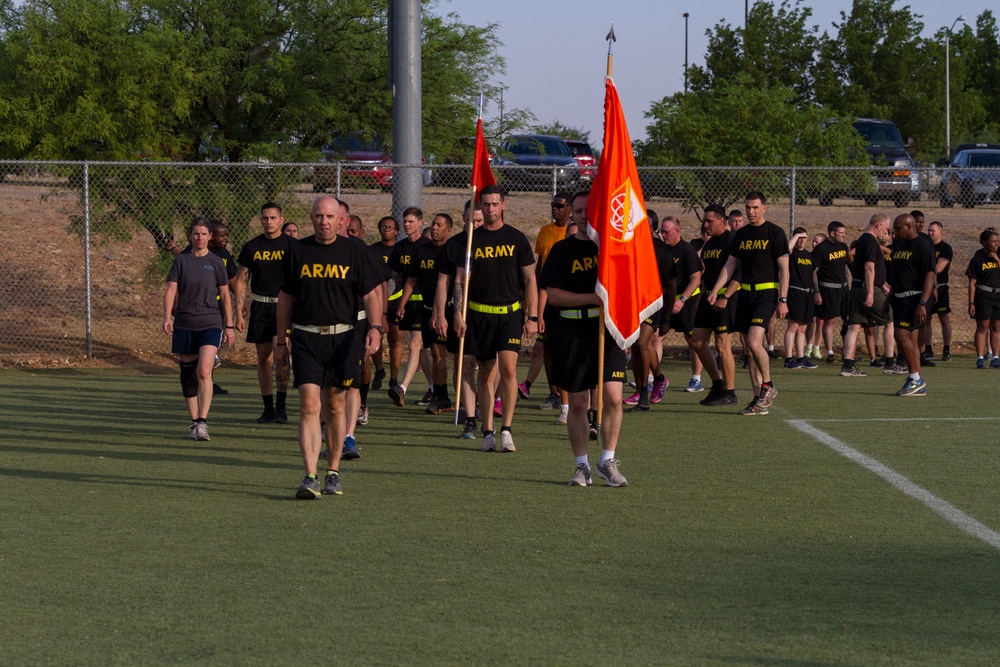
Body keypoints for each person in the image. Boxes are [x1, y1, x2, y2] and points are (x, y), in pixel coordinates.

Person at [275, 196, 385, 499]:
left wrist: (375, 328)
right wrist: (281, 340)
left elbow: (372, 294)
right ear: (311, 218)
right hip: (307, 337)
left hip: (344, 337)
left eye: (330, 216)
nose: (324, 221)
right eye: (319, 216)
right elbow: (285, 298)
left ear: (341, 220)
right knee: (310, 405)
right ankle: (310, 475)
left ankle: (333, 471)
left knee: (335, 405)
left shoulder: (354, 251)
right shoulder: (297, 251)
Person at [541, 191, 628, 487]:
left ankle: (607, 460)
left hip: (608, 331)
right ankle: (582, 466)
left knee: (614, 397)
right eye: (578, 210)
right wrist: (593, 297)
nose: (583, 214)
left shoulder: (612, 250)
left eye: (589, 210)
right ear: (571, 214)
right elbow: (553, 296)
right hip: (573, 332)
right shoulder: (562, 251)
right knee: (578, 404)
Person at [449, 184, 538, 452]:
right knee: (485, 373)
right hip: (478, 314)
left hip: (509, 314)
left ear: (503, 205)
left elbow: (530, 277)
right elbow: (459, 281)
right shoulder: (470, 240)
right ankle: (487, 430)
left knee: (509, 369)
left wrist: (532, 315)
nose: (490, 209)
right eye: (485, 204)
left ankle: (507, 430)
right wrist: (457, 312)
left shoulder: (517, 238)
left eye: (495, 204)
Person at [709, 192, 789, 416]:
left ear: (764, 207)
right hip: (745, 296)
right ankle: (758, 400)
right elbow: (730, 265)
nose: (750, 211)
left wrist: (783, 299)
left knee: (754, 343)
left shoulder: (775, 232)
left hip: (766, 295)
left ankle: (768, 385)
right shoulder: (741, 234)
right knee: (750, 351)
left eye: (755, 207)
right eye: (747, 207)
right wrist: (716, 291)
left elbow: (784, 268)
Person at [163, 217, 235, 441]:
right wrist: (167, 316)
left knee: (204, 371)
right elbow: (171, 290)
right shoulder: (181, 262)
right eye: (196, 234)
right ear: (189, 236)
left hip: (210, 323)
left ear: (210, 237)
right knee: (188, 375)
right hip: (185, 323)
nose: (200, 237)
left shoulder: (216, 262)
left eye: (204, 234)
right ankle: (194, 422)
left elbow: (225, 294)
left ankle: (203, 421)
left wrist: (229, 326)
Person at [234, 203, 294, 424]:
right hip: (260, 306)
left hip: (283, 307)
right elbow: (242, 278)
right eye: (264, 218)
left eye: (272, 217)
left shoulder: (292, 246)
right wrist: (239, 311)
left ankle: (281, 406)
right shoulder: (252, 246)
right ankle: (268, 408)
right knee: (263, 359)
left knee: (282, 356)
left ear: (281, 219)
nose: (268, 221)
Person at [434, 200, 485, 439]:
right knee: (463, 362)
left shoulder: (490, 241)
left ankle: (486, 406)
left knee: (484, 365)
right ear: (463, 219)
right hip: (460, 311)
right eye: (471, 220)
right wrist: (441, 313)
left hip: (487, 311)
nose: (475, 225)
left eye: (479, 221)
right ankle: (467, 409)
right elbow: (445, 281)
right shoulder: (453, 246)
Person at [518, 192, 572, 415]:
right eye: (553, 205)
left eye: (559, 205)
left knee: (564, 348)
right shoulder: (545, 231)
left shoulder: (574, 233)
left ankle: (571, 394)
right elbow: (539, 265)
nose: (555, 209)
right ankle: (554, 393)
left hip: (567, 296)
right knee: (546, 345)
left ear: (569, 209)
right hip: (547, 296)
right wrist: (537, 294)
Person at [398, 212, 456, 414]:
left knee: (460, 357)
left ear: (449, 230)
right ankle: (441, 397)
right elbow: (412, 280)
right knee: (436, 352)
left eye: (439, 224)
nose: (435, 227)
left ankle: (466, 400)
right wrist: (401, 304)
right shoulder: (422, 251)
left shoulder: (452, 251)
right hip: (427, 310)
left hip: (450, 310)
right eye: (433, 224)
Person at [690, 204, 741, 406]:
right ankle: (718, 385)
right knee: (696, 341)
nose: (705, 224)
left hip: (726, 298)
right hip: (708, 298)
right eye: (704, 220)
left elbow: (738, 274)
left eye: (709, 220)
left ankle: (730, 392)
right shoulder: (709, 245)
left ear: (722, 221)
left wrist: (726, 296)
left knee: (722, 344)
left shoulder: (732, 241)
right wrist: (699, 299)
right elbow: (707, 276)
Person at [387, 207, 431, 407]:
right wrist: (385, 301)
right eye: (404, 221)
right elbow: (395, 278)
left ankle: (402, 388)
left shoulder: (428, 247)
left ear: (420, 223)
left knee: (414, 345)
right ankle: (434, 389)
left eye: (411, 221)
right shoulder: (400, 247)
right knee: (422, 350)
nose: (406, 225)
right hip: (407, 302)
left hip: (425, 303)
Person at [888, 214, 935, 396]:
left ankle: (915, 379)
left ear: (909, 226)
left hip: (914, 299)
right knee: (911, 342)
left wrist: (922, 302)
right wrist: (887, 300)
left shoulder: (923, 245)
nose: (895, 232)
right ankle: (918, 382)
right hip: (899, 298)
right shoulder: (900, 246)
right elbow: (898, 276)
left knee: (900, 335)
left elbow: (930, 275)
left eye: (898, 228)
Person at [839, 214, 892, 377]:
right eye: (886, 228)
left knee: (854, 326)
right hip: (867, 289)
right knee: (890, 322)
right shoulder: (870, 241)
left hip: (856, 287)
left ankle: (848, 365)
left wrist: (883, 283)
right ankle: (890, 363)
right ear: (878, 225)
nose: (886, 232)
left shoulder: (862, 240)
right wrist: (870, 293)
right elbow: (869, 268)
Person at [659, 215, 702, 393]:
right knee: (656, 336)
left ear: (677, 231)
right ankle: (657, 378)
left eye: (666, 231)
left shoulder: (687, 250)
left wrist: (682, 299)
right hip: (667, 299)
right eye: (661, 231)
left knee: (692, 340)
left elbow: (696, 279)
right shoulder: (662, 249)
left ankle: (696, 379)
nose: (663, 235)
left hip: (687, 300)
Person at [812, 221, 851, 364]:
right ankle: (830, 353)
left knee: (848, 319)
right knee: (829, 321)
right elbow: (814, 272)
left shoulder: (843, 246)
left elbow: (846, 268)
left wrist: (849, 285)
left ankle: (848, 351)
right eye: (841, 233)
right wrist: (817, 292)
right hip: (828, 289)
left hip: (843, 288)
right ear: (832, 233)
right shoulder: (821, 249)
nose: (844, 235)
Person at [369, 216, 398, 390]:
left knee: (395, 338)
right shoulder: (371, 250)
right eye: (384, 226)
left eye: (390, 227)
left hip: (395, 300)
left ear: (396, 231)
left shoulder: (399, 250)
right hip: (376, 301)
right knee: (376, 338)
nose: (386, 229)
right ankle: (379, 370)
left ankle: (394, 378)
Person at [783, 227, 817, 369]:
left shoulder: (808, 255)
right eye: (800, 238)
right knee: (793, 326)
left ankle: (801, 358)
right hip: (795, 293)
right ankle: (788, 359)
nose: (802, 241)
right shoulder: (791, 253)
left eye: (804, 238)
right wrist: (796, 236)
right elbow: (786, 250)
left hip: (807, 294)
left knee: (802, 328)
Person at [966, 228, 1000, 369]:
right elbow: (972, 283)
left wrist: (997, 259)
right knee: (982, 327)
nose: (996, 244)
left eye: (997, 241)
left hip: (998, 295)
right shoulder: (977, 258)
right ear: (984, 243)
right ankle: (980, 358)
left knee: (996, 327)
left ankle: (996, 358)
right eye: (993, 241)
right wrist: (971, 303)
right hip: (983, 295)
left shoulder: (999, 254)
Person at [926, 221, 954, 362]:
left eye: (933, 231)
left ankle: (947, 349)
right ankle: (928, 349)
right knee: (926, 319)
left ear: (940, 232)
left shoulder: (945, 248)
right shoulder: (925, 246)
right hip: (927, 286)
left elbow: (938, 268)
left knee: (943, 317)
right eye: (929, 230)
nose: (930, 233)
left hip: (941, 286)